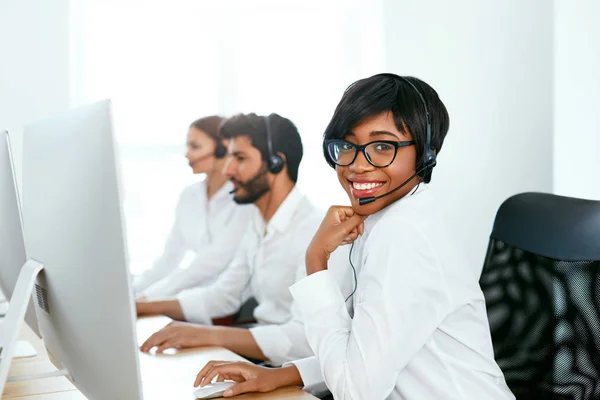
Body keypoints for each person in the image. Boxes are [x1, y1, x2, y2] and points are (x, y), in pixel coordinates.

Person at [193, 74, 515, 400]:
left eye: (382, 146)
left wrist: (315, 261)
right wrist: (281, 375)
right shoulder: (383, 220)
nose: (358, 166)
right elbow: (362, 354)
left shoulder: (404, 235)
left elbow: (355, 390)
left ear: (426, 153)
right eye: (348, 146)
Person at [137, 113, 323, 340]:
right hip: (264, 350)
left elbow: (305, 338)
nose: (228, 170)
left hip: (291, 366)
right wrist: (144, 307)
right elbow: (224, 295)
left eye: (240, 158)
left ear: (277, 163)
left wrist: (206, 336)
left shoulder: (314, 232)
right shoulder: (258, 224)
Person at [133, 116, 253, 300]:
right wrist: (133, 291)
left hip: (226, 303)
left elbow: (207, 264)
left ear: (223, 148)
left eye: (195, 147)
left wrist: (149, 298)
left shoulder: (243, 200)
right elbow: (169, 258)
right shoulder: (189, 196)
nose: (187, 155)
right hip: (191, 297)